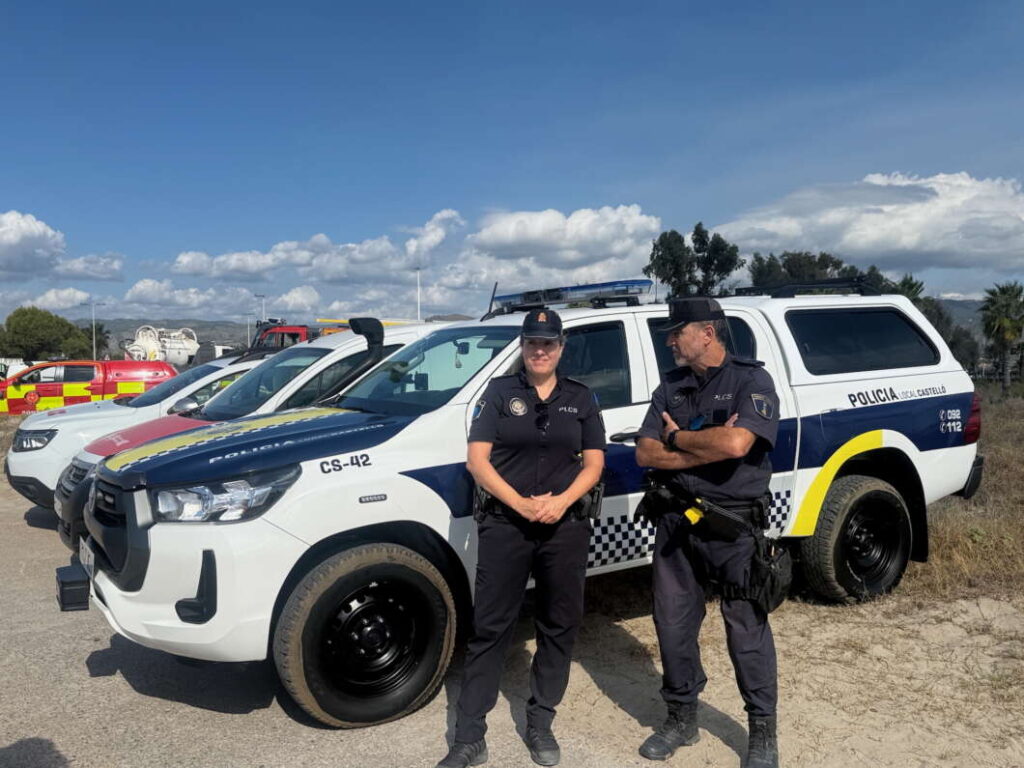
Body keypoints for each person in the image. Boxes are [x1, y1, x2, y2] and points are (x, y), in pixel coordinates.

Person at [435, 308, 606, 768]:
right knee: (491, 628)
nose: (540, 350)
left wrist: (560, 501)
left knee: (559, 624)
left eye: (548, 343)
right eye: (533, 343)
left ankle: (540, 722)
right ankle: (469, 737)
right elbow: (478, 461)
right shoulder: (498, 394)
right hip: (507, 526)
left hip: (563, 527)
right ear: (523, 347)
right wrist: (521, 504)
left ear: (561, 347)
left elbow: (594, 464)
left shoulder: (582, 398)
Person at [634, 297, 781, 768]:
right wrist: (703, 450)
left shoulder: (751, 380)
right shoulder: (671, 387)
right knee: (672, 625)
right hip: (678, 523)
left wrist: (677, 439)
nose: (672, 342)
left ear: (707, 334)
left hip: (733, 524)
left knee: (746, 628)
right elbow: (644, 453)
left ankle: (761, 730)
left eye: (678, 333)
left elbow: (739, 442)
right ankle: (681, 717)